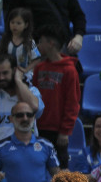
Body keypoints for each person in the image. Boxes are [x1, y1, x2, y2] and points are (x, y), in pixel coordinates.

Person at [0, 101, 59, 182]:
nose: (25, 118)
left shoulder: (47, 145)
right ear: (11, 118)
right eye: (20, 115)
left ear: (34, 118)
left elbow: (58, 177)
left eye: (29, 115)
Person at [32, 25, 80, 168]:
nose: (38, 45)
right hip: (37, 129)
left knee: (59, 172)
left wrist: (65, 131)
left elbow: (72, 103)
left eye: (41, 42)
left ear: (51, 43)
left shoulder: (69, 70)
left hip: (57, 131)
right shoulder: (39, 68)